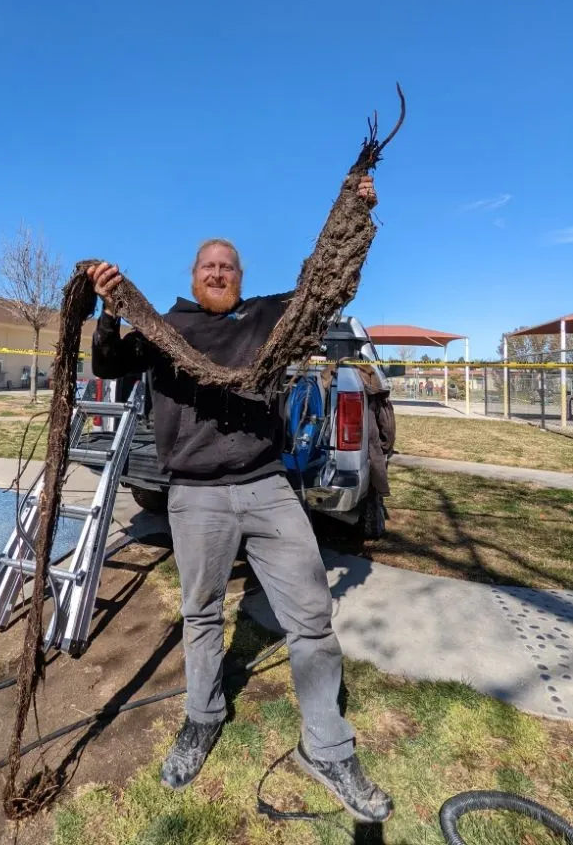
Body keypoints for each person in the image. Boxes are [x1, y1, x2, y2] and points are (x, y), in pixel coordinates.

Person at [87, 174, 392, 824]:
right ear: (193, 275)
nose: (218, 272)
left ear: (240, 277)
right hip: (194, 496)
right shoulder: (164, 326)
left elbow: (322, 286)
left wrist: (354, 209)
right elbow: (109, 365)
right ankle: (202, 718)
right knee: (200, 615)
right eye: (209, 265)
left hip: (266, 486)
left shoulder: (265, 318)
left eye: (227, 265)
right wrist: (108, 311)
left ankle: (326, 747)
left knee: (311, 617)